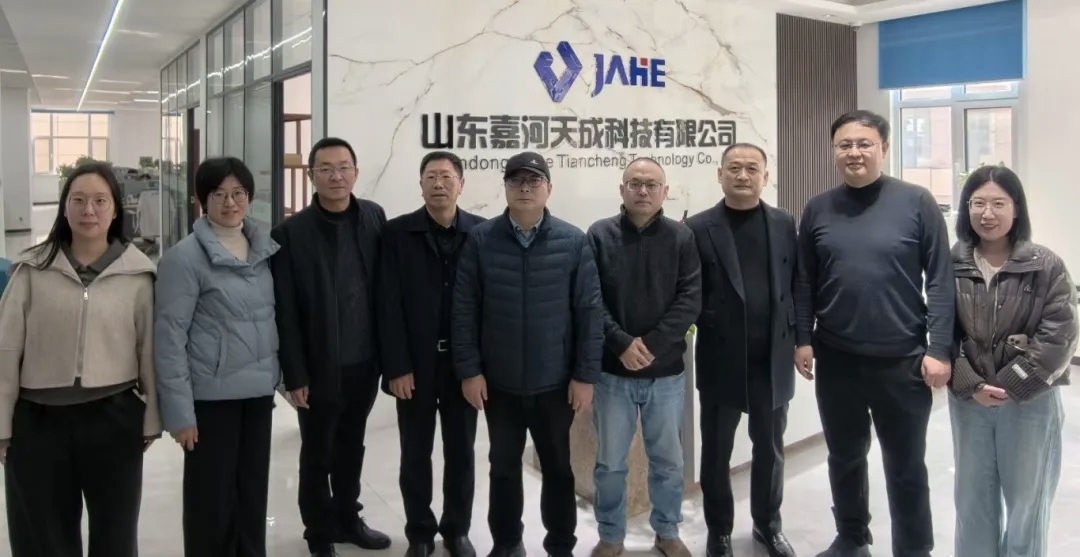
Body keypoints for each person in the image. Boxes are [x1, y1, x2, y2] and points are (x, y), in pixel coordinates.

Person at [794, 110, 954, 557]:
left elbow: (941, 280)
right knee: (844, 457)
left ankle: (914, 549)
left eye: (864, 143)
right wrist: (803, 337)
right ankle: (851, 538)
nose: (854, 152)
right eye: (845, 144)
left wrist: (940, 347)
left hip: (902, 360)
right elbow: (804, 280)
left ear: (883, 148)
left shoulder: (917, 201)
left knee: (905, 465)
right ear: (834, 151)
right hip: (837, 358)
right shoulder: (818, 208)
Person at [0, 162, 161, 557]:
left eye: (100, 201)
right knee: (43, 540)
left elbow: (149, 352)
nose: (89, 210)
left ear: (115, 209)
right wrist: (2, 424)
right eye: (79, 200)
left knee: (116, 538)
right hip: (37, 423)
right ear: (64, 207)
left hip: (114, 418)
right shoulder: (31, 268)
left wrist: (152, 417)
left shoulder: (138, 274)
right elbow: (6, 350)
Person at [452, 151, 603, 557]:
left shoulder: (573, 241)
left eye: (534, 181)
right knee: (502, 468)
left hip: (555, 384)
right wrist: (470, 370)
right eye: (516, 180)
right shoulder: (481, 239)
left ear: (548, 188)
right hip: (499, 384)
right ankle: (506, 543)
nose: (525, 188)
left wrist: (584, 375)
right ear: (504, 187)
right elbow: (464, 309)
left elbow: (589, 312)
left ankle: (560, 545)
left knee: (558, 470)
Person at [154, 157, 281, 557]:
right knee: (211, 502)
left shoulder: (263, 250)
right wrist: (180, 414)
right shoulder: (184, 258)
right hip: (210, 400)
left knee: (251, 496)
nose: (230, 203)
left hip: (257, 395)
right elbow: (169, 339)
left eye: (238, 193)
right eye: (219, 194)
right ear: (202, 200)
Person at [271, 137, 391, 557]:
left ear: (356, 172)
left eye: (343, 167)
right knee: (317, 453)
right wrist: (294, 374)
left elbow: (384, 290)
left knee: (351, 446)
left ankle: (348, 519)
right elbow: (285, 311)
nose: (336, 176)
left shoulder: (374, 217)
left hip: (364, 362)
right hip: (318, 365)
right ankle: (319, 533)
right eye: (325, 168)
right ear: (311, 176)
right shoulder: (290, 234)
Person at [948, 165, 1075, 557]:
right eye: (978, 203)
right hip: (970, 402)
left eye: (998, 203)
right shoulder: (951, 263)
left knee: (1027, 505)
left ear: (1017, 208)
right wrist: (970, 383)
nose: (987, 213)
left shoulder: (1045, 264)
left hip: (1030, 403)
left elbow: (1059, 335)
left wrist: (1010, 384)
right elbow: (936, 329)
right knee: (972, 502)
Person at [687, 143, 799, 557]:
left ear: (765, 177)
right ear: (720, 175)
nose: (742, 175)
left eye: (752, 168)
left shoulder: (783, 223)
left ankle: (768, 525)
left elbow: (796, 284)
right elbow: (689, 292)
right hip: (721, 358)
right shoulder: (697, 228)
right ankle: (719, 531)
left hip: (772, 358)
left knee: (769, 449)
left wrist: (802, 339)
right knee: (716, 452)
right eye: (734, 168)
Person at [585, 157, 701, 557]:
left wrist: (650, 345)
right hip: (612, 374)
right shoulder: (599, 235)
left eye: (652, 184)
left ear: (665, 192)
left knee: (668, 461)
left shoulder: (681, 238)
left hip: (666, 374)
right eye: (635, 183)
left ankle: (667, 531)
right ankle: (610, 535)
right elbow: (590, 298)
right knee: (610, 463)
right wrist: (621, 343)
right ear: (622, 189)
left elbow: (690, 299)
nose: (643, 190)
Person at [378, 151, 485, 557]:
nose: (439, 183)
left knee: (462, 453)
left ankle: (457, 530)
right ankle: (420, 532)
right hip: (415, 367)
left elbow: (488, 304)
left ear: (461, 184)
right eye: (431, 176)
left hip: (463, 367)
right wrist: (397, 366)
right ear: (420, 184)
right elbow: (387, 305)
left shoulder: (481, 233)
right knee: (414, 453)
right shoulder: (397, 234)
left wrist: (478, 367)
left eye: (447, 176)